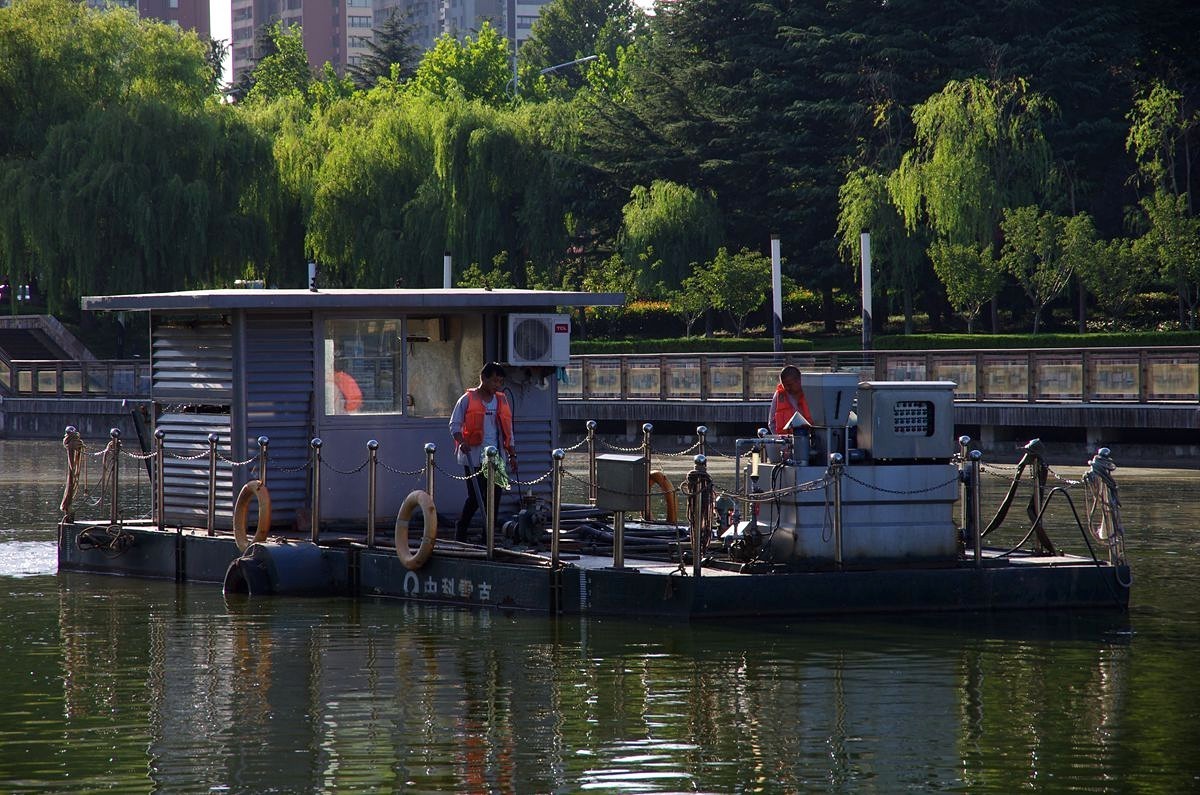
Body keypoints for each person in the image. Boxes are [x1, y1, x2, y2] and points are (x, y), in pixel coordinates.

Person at [449, 362, 517, 542]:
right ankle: (461, 529)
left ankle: (488, 537)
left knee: (495, 498)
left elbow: (508, 430)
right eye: (494, 381)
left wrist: (512, 454)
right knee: (475, 497)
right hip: (473, 456)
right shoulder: (467, 399)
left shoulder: (501, 400)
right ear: (484, 378)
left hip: (497, 457)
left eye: (500, 382)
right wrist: (461, 441)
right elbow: (454, 425)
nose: (497, 385)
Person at [769, 365, 813, 435]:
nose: (787, 388)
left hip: (809, 440)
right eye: (784, 385)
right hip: (786, 442)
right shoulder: (779, 395)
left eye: (789, 385)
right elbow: (772, 423)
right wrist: (781, 441)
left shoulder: (811, 394)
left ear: (799, 380)